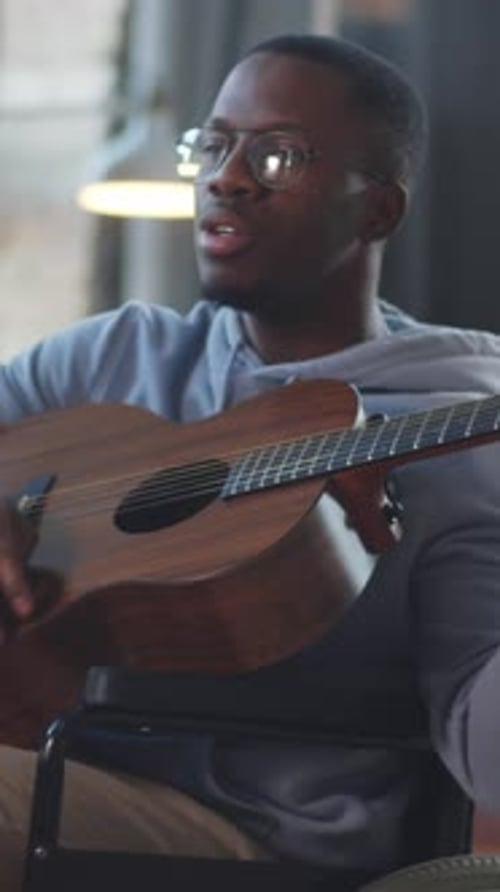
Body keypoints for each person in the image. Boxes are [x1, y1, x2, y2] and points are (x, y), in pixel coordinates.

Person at [1, 31, 500, 891]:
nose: (227, 176)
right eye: (216, 144)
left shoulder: (452, 421)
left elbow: (481, 738)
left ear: (377, 211)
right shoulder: (114, 355)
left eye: (279, 155)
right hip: (41, 744)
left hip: (258, 829)